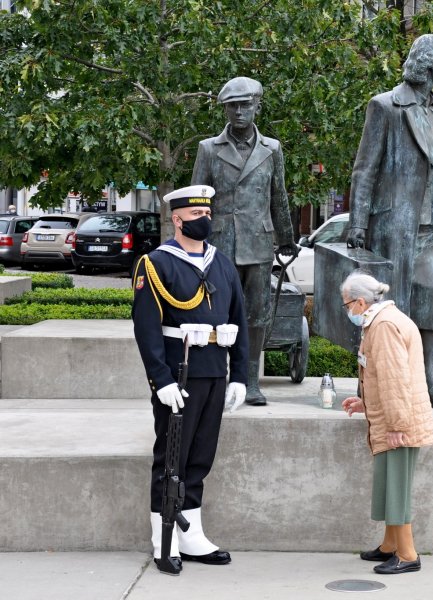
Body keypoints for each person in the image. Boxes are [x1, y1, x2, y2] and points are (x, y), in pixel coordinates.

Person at [346, 34, 433, 410]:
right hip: (394, 226)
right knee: (388, 308)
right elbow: (364, 170)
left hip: (432, 228)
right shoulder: (386, 106)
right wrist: (357, 224)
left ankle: (427, 380)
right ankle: (373, 384)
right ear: (431, 64)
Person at [132, 184, 249, 574]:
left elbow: (239, 322)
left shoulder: (222, 263)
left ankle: (192, 535)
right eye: (197, 216)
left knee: (200, 457)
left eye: (207, 214)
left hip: (215, 370)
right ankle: (162, 538)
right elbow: (146, 328)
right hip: (177, 376)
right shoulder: (156, 264)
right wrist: (160, 380)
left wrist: (240, 376)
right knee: (171, 458)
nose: (205, 221)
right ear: (177, 219)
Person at [192, 76, 296, 407]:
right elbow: (197, 202)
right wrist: (191, 245)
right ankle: (218, 376)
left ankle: (250, 380)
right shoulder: (208, 149)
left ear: (257, 107)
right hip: (221, 244)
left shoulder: (272, 149)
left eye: (245, 105)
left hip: (260, 244)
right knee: (217, 312)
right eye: (232, 106)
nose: (238, 111)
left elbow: (278, 196)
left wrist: (287, 238)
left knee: (257, 315)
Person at [339, 272, 433, 575]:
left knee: (396, 489)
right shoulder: (385, 320)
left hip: (399, 425)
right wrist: (366, 403)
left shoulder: (383, 326)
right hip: (397, 419)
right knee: (389, 485)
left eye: (347, 305)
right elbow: (387, 376)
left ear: (361, 301)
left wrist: (396, 425)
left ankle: (407, 554)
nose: (348, 311)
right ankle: (389, 545)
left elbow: (395, 380)